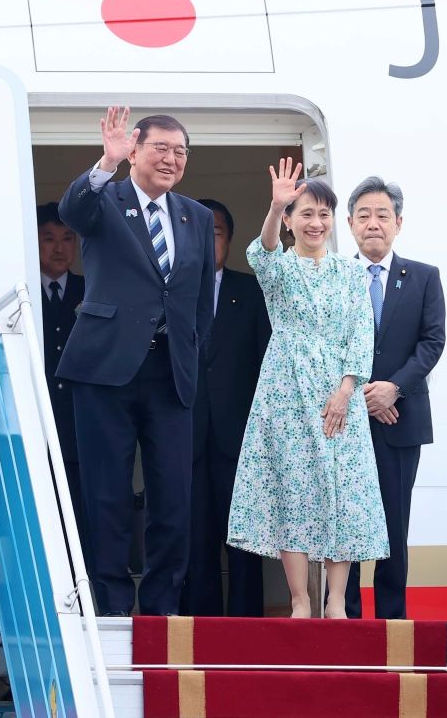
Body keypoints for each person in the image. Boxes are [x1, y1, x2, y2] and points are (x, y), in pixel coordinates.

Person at [57, 107, 215, 616]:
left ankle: (163, 603)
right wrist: (104, 162)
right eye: (160, 148)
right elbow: (71, 211)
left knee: (173, 498)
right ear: (134, 151)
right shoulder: (105, 199)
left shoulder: (197, 216)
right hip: (106, 370)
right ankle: (111, 604)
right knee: (107, 492)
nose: (171, 159)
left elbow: (199, 305)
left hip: (171, 373)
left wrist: (189, 351)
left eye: (180, 152)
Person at [227, 158, 388, 619]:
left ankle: (336, 600)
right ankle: (300, 600)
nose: (316, 223)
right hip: (286, 392)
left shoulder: (351, 273)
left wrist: (346, 390)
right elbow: (263, 250)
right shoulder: (279, 269)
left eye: (323, 214)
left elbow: (361, 334)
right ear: (293, 222)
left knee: (344, 488)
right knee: (293, 489)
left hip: (342, 391)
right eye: (306, 214)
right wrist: (276, 207)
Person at [342, 176, 446, 619]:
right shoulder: (336, 276)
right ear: (349, 224)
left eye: (382, 215)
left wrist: (393, 388)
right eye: (363, 215)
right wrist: (363, 393)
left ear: (398, 223)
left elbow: (432, 341)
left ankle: (391, 618)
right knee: (343, 517)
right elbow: (325, 341)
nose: (373, 223)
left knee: (392, 520)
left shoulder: (423, 277)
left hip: (401, 417)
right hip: (345, 418)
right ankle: (342, 612)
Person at [181, 199, 271, 617]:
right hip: (185, 436)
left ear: (230, 240)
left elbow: (266, 365)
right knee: (193, 539)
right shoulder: (172, 291)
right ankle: (199, 628)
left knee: (243, 541)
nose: (205, 239)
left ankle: (247, 629)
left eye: (214, 231)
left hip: (242, 440)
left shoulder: (253, 292)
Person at [36, 203, 87, 543]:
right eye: (49, 238)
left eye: (67, 239)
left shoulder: (91, 288)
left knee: (83, 507)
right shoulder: (24, 285)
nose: (59, 248)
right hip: (38, 414)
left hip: (82, 416)